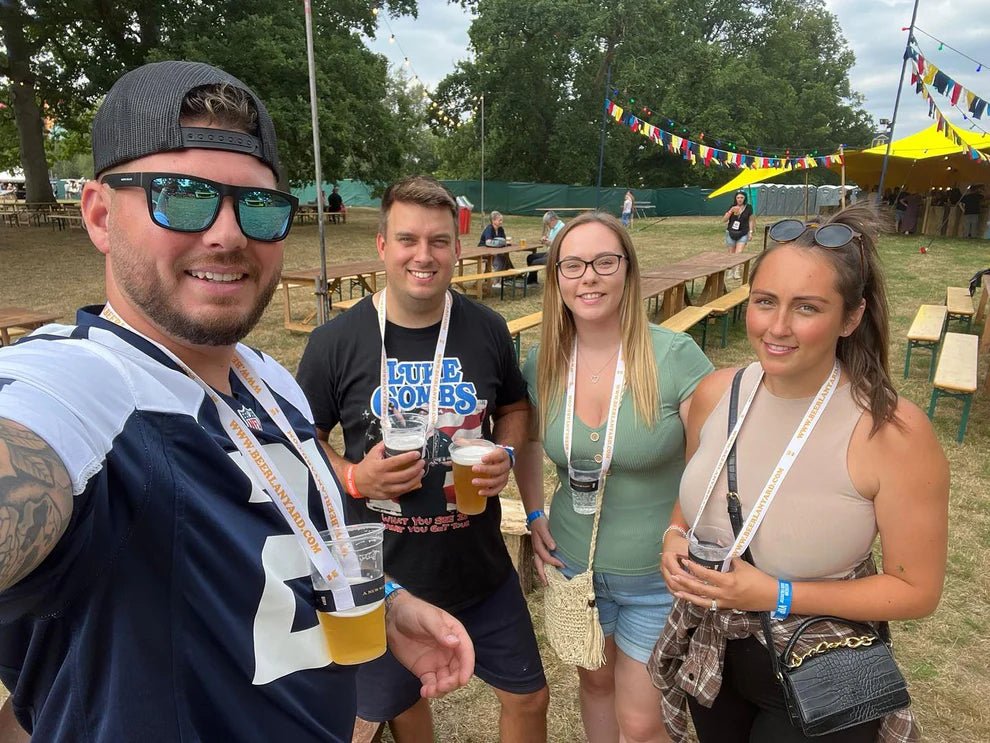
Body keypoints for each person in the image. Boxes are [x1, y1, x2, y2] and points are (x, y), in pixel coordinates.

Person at [0, 61, 475, 742]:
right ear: (101, 215)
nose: (227, 233)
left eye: (256, 205)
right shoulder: (86, 387)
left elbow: (288, 535)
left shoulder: (263, 378)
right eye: (181, 195)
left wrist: (389, 604)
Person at [651, 203, 949, 742]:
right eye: (765, 302)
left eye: (806, 307)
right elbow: (698, 496)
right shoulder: (718, 394)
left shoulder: (891, 431)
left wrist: (776, 594)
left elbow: (916, 590)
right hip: (713, 655)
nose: (777, 327)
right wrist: (674, 535)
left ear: (851, 317)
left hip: (820, 666)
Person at [296, 176, 550, 743]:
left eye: (439, 241)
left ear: (457, 249)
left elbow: (513, 405)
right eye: (408, 239)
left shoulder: (485, 328)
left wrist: (504, 451)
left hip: (477, 568)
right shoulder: (335, 340)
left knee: (530, 696)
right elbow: (300, 437)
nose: (424, 255)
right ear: (384, 246)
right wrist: (352, 474)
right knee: (404, 704)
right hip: (383, 579)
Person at [517, 211, 712, 743]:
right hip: (574, 568)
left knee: (644, 724)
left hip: (656, 574)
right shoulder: (544, 361)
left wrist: (679, 530)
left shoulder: (674, 357)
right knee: (596, 687)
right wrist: (533, 511)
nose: (589, 277)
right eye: (573, 264)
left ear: (628, 270)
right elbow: (529, 441)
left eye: (605, 262)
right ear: (555, 277)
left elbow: (713, 463)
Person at [524, 210, 565, 285]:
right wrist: (545, 239)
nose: (548, 226)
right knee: (530, 257)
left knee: (534, 262)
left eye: (548, 223)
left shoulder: (562, 228)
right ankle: (533, 280)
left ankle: (530, 282)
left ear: (552, 220)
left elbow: (561, 245)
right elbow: (551, 241)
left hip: (557, 255)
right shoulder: (554, 228)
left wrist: (549, 243)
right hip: (550, 252)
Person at [722, 191, 754, 279]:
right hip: (731, 232)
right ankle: (730, 270)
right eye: (738, 198)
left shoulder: (749, 207)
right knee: (731, 253)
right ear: (735, 199)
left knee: (739, 252)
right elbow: (724, 220)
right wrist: (730, 211)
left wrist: (750, 232)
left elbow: (751, 220)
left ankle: (737, 271)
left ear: (744, 198)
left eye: (741, 198)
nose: (740, 199)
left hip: (743, 232)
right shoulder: (732, 207)